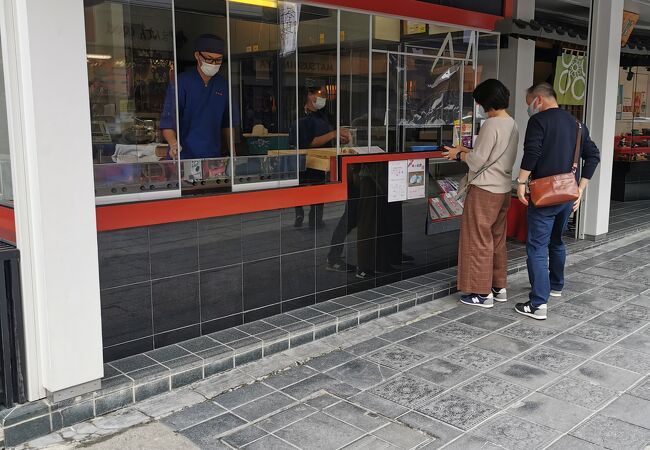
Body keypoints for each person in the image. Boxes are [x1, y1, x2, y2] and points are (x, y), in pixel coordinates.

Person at [515, 83, 600, 320]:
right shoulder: (578, 125)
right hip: (567, 195)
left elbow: (532, 152)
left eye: (529, 103)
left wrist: (520, 182)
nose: (529, 109)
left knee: (537, 247)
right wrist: (581, 189)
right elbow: (593, 155)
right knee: (556, 241)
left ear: (538, 100)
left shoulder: (539, 121)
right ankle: (555, 285)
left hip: (544, 195)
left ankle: (537, 304)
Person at [444, 79, 519, 308]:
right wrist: (467, 151)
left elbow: (477, 162)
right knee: (497, 239)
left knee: (477, 240)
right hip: (504, 188)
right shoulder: (512, 123)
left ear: (486, 101)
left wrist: (459, 155)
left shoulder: (491, 124)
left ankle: (480, 293)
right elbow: (494, 155)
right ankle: (498, 287)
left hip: (485, 190)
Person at [160, 34, 232, 159]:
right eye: (209, 59)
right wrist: (173, 145)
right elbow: (168, 122)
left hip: (212, 157)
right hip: (184, 157)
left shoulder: (222, 85)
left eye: (218, 60)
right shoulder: (182, 83)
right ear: (197, 56)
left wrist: (233, 154)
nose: (214, 64)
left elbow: (228, 123)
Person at [291, 79, 350, 228]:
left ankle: (316, 219)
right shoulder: (301, 117)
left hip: (322, 161)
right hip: (305, 160)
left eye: (324, 94)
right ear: (309, 95)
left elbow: (331, 133)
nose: (322, 97)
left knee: (319, 190)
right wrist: (333, 134)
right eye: (319, 94)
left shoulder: (324, 115)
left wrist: (340, 138)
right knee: (302, 188)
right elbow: (308, 143)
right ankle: (299, 213)